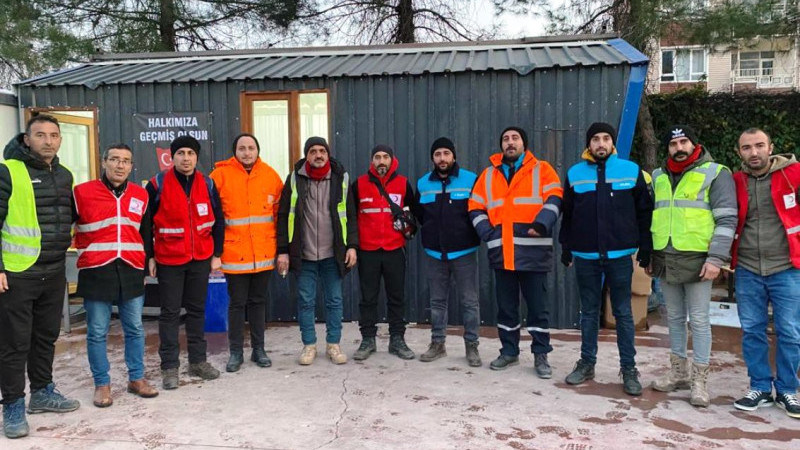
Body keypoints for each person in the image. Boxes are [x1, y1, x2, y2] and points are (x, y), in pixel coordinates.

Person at [0, 115, 79, 439]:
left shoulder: (64, 175)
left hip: (53, 268)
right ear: (27, 139)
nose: (48, 141)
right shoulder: (8, 172)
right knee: (14, 343)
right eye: (41, 135)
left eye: (54, 135)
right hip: (18, 272)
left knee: (45, 337)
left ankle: (43, 392)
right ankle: (13, 405)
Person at [559, 122, 653, 396]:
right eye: (596, 139)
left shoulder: (631, 171)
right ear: (589, 144)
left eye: (606, 139)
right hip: (585, 256)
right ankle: (587, 363)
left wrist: (645, 249)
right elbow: (568, 213)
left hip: (620, 256)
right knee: (588, 312)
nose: (601, 144)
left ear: (612, 144)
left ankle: (629, 369)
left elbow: (645, 213)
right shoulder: (575, 174)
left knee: (623, 313)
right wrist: (566, 246)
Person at [648, 125, 736, 407]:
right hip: (666, 257)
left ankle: (699, 380)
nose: (679, 147)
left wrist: (716, 259)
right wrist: (650, 256)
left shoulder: (716, 173)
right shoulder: (659, 176)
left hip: (699, 260)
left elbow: (726, 220)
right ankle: (678, 373)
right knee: (673, 318)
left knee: (698, 320)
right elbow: (654, 217)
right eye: (673, 144)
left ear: (694, 144)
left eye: (684, 141)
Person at [468, 126, 562, 378]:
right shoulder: (488, 175)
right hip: (502, 253)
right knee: (506, 308)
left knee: (538, 309)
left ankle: (541, 355)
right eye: (506, 139)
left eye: (515, 138)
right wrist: (487, 233)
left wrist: (542, 223)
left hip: (533, 252)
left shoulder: (542, 169)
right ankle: (509, 352)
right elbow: (475, 206)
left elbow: (555, 198)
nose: (510, 143)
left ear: (524, 143)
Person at [73, 143, 158, 408]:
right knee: (97, 331)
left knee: (134, 328)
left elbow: (144, 234)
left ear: (132, 166)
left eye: (126, 161)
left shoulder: (140, 194)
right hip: (97, 269)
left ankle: (136, 378)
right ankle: (102, 384)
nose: (120, 165)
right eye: (115, 159)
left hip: (131, 269)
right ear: (104, 162)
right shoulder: (82, 193)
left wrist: (145, 266)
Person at [142, 135, 224, 390]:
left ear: (196, 157)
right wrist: (150, 256)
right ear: (172, 157)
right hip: (169, 259)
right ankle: (169, 367)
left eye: (190, 153)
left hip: (200, 258)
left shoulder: (208, 184)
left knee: (197, 312)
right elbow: (145, 224)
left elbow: (219, 220)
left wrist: (216, 254)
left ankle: (198, 362)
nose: (186, 158)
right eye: (181, 153)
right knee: (170, 314)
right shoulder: (157, 184)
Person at [730, 128, 800, 418]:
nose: (754, 153)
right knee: (752, 331)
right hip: (747, 268)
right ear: (739, 153)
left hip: (787, 268)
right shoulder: (735, 181)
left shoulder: (793, 174)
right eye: (747, 148)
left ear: (771, 147)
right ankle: (759, 386)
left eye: (759, 146)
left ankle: (787, 389)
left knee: (790, 331)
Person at [276, 137, 358, 365]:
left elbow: (350, 215)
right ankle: (309, 346)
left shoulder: (341, 178)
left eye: (322, 150)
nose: (318, 155)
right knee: (305, 302)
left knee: (334, 301)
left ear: (328, 153)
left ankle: (333, 345)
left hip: (334, 254)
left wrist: (352, 246)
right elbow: (284, 216)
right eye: (313, 151)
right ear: (307, 155)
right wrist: (283, 251)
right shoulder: (294, 179)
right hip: (304, 255)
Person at [210, 134, 282, 372]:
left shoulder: (270, 176)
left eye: (251, 148)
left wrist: (281, 250)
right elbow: (211, 217)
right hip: (233, 253)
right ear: (235, 151)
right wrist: (215, 252)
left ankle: (259, 350)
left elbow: (279, 216)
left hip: (263, 253)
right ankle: (236, 353)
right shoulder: (219, 176)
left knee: (259, 302)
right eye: (242, 148)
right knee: (237, 304)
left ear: (257, 150)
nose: (247, 152)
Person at [414, 137, 482, 367]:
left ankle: (472, 347)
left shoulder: (471, 180)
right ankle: (438, 344)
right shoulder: (423, 183)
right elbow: (420, 216)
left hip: (464, 253)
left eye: (446, 153)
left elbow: (479, 211)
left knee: (469, 302)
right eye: (437, 154)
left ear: (453, 155)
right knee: (437, 302)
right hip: (435, 254)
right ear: (433, 158)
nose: (442, 158)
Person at [351, 144, 417, 361]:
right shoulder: (359, 184)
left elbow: (413, 215)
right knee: (368, 298)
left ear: (392, 160)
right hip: (368, 250)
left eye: (385, 157)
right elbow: (351, 218)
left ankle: (397, 339)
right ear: (372, 161)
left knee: (396, 297)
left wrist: (409, 228)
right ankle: (368, 339)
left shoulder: (403, 183)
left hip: (394, 250)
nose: (381, 161)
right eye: (377, 157)